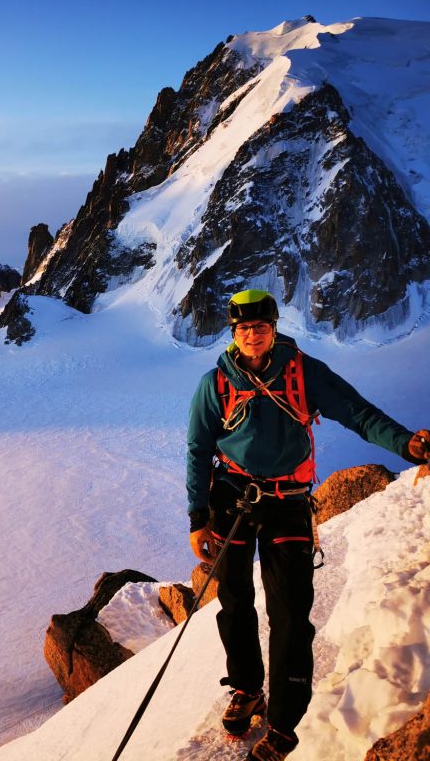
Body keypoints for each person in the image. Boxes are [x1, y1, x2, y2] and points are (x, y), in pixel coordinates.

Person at [186, 289, 430, 761]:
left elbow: (356, 412)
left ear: (274, 328)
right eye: (243, 329)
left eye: (259, 327)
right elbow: (198, 449)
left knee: (291, 615)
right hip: (232, 500)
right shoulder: (215, 383)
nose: (252, 336)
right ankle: (246, 689)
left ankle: (283, 723)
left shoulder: (303, 372)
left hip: (287, 504)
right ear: (234, 335)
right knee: (234, 602)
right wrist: (199, 518)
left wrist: (406, 445)